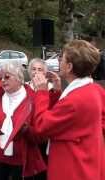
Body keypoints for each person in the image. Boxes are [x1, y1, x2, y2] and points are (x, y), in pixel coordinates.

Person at [32, 40, 105, 180]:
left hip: (72, 167)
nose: (59, 61)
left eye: (62, 58)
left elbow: (42, 125)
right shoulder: (94, 90)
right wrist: (56, 92)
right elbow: (62, 118)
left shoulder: (75, 99)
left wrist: (41, 92)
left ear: (69, 66)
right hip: (88, 161)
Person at [0, 62, 46, 180]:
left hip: (23, 163)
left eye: (7, 77)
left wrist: (27, 130)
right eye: (0, 78)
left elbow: (42, 136)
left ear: (19, 77)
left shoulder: (33, 100)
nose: (3, 80)